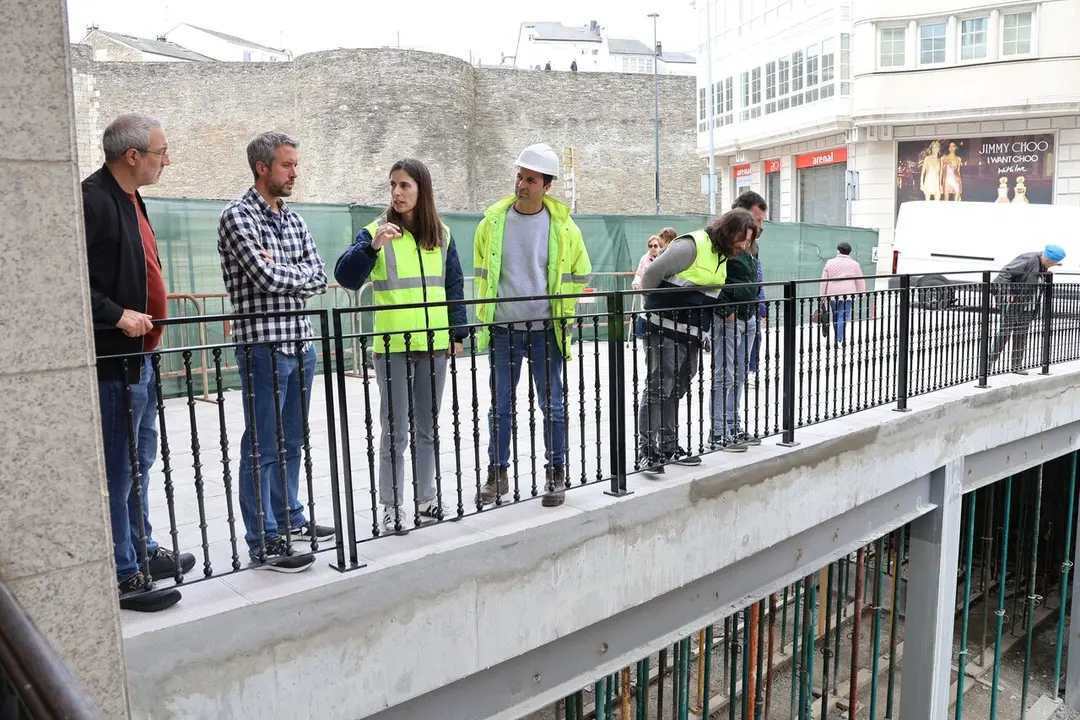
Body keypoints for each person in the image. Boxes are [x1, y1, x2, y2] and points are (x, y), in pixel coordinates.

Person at [85, 113, 195, 612]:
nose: (166, 160)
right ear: (132, 156)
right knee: (118, 469)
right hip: (115, 363)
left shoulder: (131, 199)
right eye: (161, 152)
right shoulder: (94, 202)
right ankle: (123, 573)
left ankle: (141, 549)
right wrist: (117, 315)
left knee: (139, 463)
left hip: (142, 360)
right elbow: (67, 282)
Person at [217, 131, 336, 573]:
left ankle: (289, 518)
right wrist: (294, 273)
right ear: (262, 167)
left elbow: (319, 276)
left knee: (293, 440)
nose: (294, 173)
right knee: (263, 444)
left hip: (300, 344)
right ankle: (263, 539)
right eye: (287, 165)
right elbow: (265, 280)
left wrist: (284, 269)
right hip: (263, 347)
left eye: (295, 164)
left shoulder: (294, 218)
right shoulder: (236, 216)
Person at [334, 159, 467, 533]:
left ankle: (427, 499)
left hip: (434, 345)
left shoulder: (441, 234)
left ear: (421, 190)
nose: (396, 192)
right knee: (395, 430)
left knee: (427, 427)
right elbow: (345, 277)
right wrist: (371, 248)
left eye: (405, 185)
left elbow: (453, 286)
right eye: (393, 185)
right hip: (392, 346)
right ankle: (391, 505)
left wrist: (457, 335)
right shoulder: (375, 231)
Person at [474, 143, 592, 507]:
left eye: (530, 179)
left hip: (546, 331)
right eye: (519, 176)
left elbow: (578, 274)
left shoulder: (565, 229)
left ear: (547, 186)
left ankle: (557, 473)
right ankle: (498, 474)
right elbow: (482, 272)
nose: (521, 184)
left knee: (553, 405)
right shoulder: (491, 224)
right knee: (500, 406)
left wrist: (564, 316)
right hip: (503, 331)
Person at [637, 209, 756, 471]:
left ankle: (668, 446)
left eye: (747, 241)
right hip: (663, 326)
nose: (744, 245)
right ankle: (646, 449)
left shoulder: (721, 254)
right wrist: (657, 308)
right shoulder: (691, 245)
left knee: (676, 388)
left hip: (690, 330)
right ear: (728, 231)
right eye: (742, 239)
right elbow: (651, 274)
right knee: (659, 386)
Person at [712, 191, 767, 452]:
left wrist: (759, 304)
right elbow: (713, 277)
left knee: (741, 373)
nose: (759, 227)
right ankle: (719, 432)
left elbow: (756, 274)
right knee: (726, 373)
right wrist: (726, 308)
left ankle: (733, 425)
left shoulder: (751, 241)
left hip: (748, 313)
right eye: (757, 220)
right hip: (730, 316)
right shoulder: (725, 238)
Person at [989, 245, 1065, 374]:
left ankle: (1016, 365)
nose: (1051, 265)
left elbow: (1032, 279)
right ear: (1045, 256)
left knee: (1021, 334)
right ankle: (988, 364)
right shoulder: (1028, 260)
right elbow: (1004, 273)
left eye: (1053, 263)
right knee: (1005, 333)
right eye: (1050, 262)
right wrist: (1007, 292)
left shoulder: (1042, 265)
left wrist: (1045, 275)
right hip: (1013, 302)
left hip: (1028, 305)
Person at [819, 242, 866, 344]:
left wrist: (822, 296)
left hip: (833, 294)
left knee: (835, 316)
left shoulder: (830, 263)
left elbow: (824, 281)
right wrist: (862, 293)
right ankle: (840, 337)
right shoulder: (855, 264)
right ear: (849, 252)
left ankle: (838, 336)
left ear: (838, 251)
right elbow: (860, 280)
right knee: (843, 316)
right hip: (848, 295)